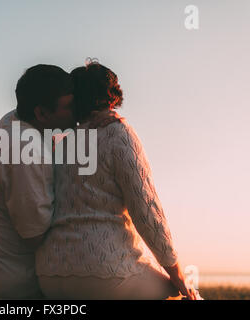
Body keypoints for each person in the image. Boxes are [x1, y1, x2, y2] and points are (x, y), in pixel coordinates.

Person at [35, 60, 198, 300]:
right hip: (104, 276)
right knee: (176, 295)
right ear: (112, 96)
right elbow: (146, 211)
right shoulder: (119, 134)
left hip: (50, 275)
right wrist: (176, 273)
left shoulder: (62, 146)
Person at [0, 64, 117, 298]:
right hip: (3, 279)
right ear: (41, 113)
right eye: (70, 106)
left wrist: (97, 118)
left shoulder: (13, 122)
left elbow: (56, 135)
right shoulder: (26, 153)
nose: (77, 112)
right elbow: (35, 236)